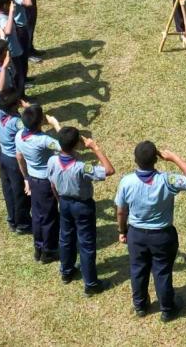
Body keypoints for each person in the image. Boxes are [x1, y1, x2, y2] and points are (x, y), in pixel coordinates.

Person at [115, 141, 186, 321]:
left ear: (135, 160)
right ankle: (167, 309)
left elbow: (121, 211)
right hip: (162, 235)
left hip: (136, 234)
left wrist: (122, 230)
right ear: (156, 159)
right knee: (162, 272)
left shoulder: (126, 182)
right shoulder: (166, 180)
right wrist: (174, 158)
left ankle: (140, 306)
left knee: (138, 270)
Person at [48, 126, 116, 294]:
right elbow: (109, 170)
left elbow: (52, 184)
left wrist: (59, 200)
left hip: (64, 202)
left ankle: (66, 271)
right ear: (78, 144)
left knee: (66, 238)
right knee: (86, 244)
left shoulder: (52, 161)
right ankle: (91, 284)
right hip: (82, 206)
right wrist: (95, 148)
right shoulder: (81, 167)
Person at [15, 104, 63, 263]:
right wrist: (56, 125)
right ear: (39, 122)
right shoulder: (43, 140)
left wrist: (26, 178)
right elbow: (64, 146)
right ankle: (49, 251)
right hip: (45, 182)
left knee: (37, 216)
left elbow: (19, 158)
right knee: (49, 216)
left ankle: (38, 248)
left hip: (33, 180)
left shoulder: (19, 135)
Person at [0, 88, 32, 234]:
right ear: (16, 104)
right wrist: (29, 109)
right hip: (14, 160)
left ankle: (12, 219)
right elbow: (30, 131)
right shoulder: (17, 122)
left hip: (3, 156)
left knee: (8, 189)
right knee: (20, 192)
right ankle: (23, 224)